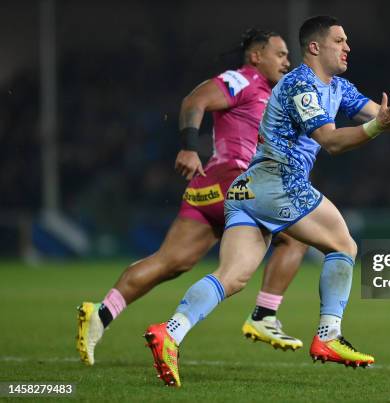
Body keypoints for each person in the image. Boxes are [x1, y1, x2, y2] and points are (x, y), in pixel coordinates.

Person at [144, 15, 390, 387]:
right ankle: (328, 335)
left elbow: (381, 114)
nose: (348, 47)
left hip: (248, 191)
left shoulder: (338, 87)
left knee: (231, 277)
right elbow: (331, 141)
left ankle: (170, 332)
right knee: (344, 245)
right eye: (340, 40)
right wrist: (378, 128)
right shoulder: (300, 85)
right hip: (280, 184)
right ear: (314, 47)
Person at [76, 29, 309, 366]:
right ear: (256, 56)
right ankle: (265, 315)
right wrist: (188, 146)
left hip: (210, 187)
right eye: (280, 54)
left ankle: (101, 313)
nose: (287, 61)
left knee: (171, 261)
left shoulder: (270, 96)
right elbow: (194, 101)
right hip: (236, 180)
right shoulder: (243, 79)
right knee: (298, 233)